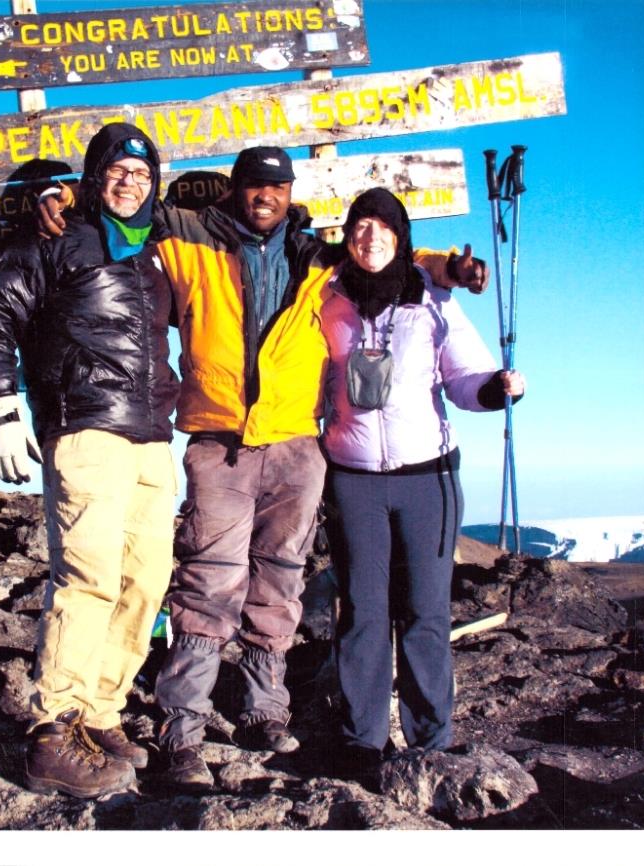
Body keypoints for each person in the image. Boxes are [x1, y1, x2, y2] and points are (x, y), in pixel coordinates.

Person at [39, 147, 488, 789]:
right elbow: (125, 213)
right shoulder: (188, 236)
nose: (265, 196)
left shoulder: (316, 255)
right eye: (253, 185)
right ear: (235, 190)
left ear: (288, 193)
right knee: (209, 580)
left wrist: (449, 265)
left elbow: (387, 250)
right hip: (219, 439)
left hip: (297, 445)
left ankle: (263, 708)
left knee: (280, 578)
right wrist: (62, 201)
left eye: (276, 186)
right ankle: (182, 729)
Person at [0, 122, 180, 798]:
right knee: (87, 580)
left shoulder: (152, 256)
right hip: (85, 431)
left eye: (141, 174)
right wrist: (1, 411)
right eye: (116, 171)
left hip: (152, 439)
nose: (129, 182)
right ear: (93, 177)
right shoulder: (50, 241)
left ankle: (100, 713)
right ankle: (53, 731)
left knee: (145, 583)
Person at [318, 187, 525, 775]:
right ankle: (362, 741)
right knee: (361, 609)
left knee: (425, 610)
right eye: (360, 226)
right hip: (353, 477)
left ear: (401, 236)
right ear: (348, 236)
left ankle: (430, 741)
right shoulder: (327, 300)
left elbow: (464, 375)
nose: (371, 237)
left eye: (383, 228)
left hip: (427, 478)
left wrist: (494, 389)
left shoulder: (434, 301)